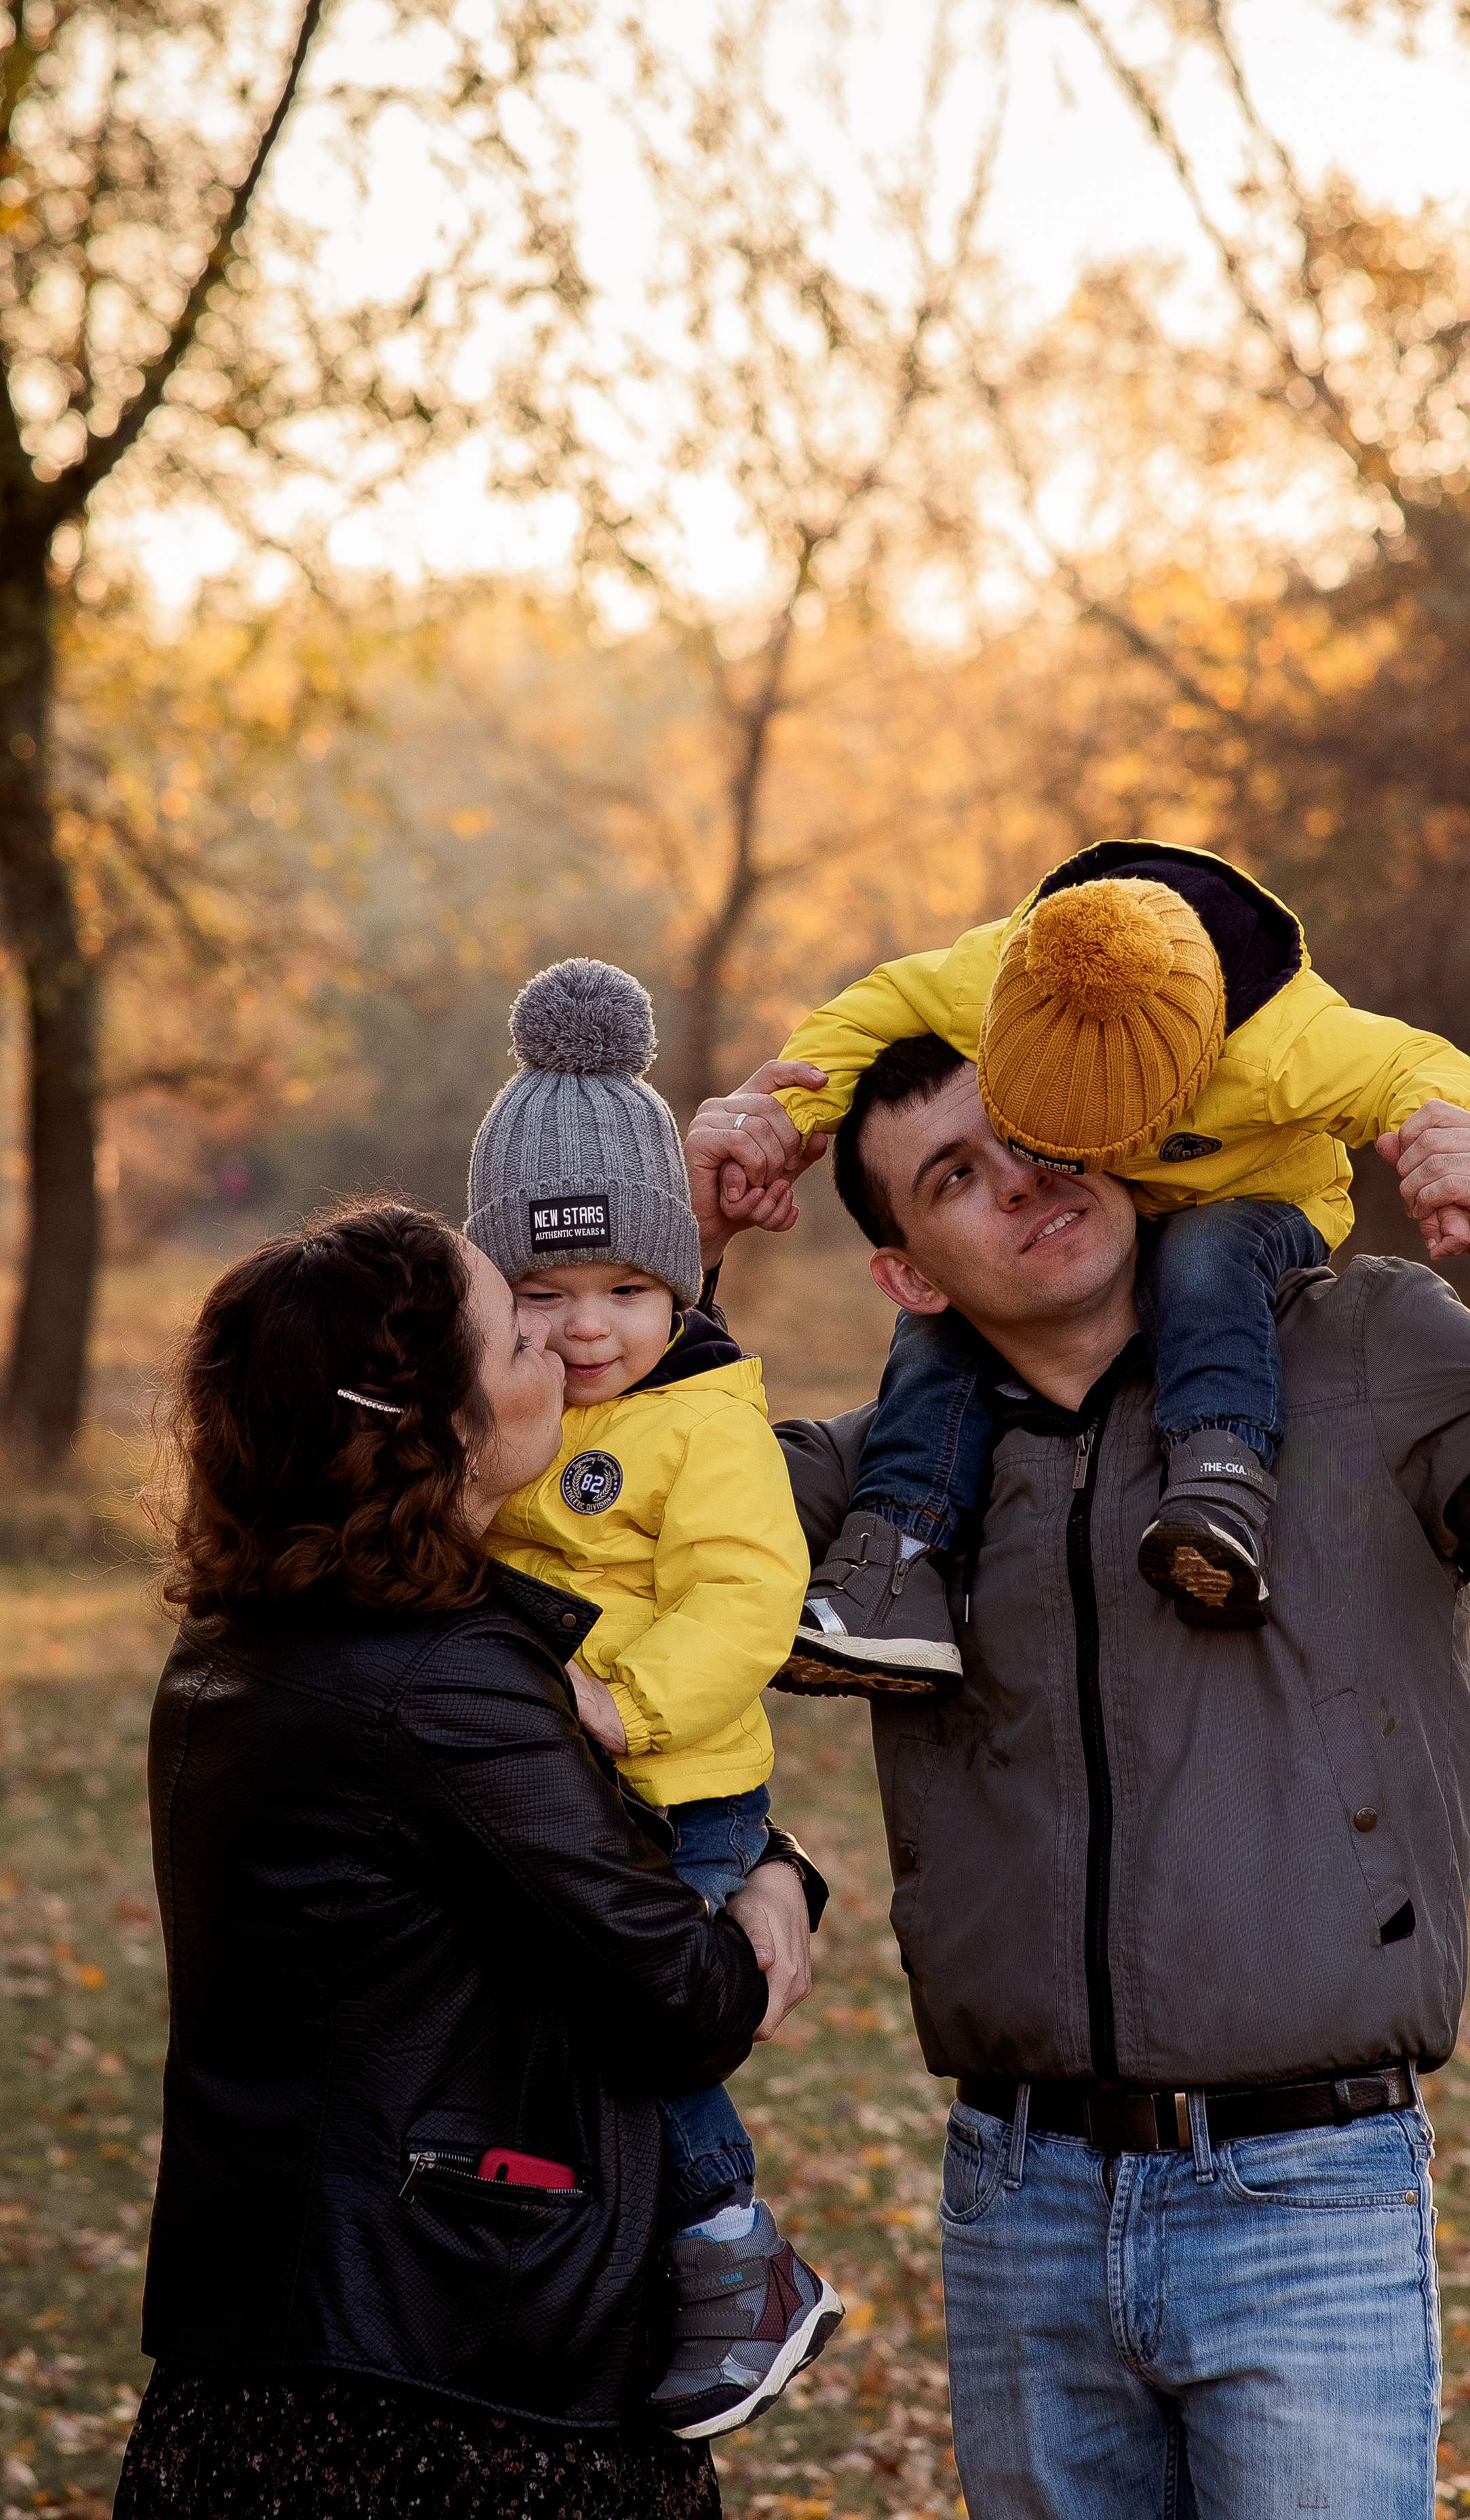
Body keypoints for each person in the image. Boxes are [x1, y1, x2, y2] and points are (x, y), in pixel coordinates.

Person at [686, 1041, 1470, 2520]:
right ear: (911, 1278)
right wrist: (679, 1246)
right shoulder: (885, 1507)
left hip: (1309, 2197)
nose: (1023, 1183)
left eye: (1032, 1134)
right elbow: (601, 1538)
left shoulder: (1360, 1347)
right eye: (953, 1180)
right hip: (1019, 2204)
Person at [117, 1200, 825, 2520]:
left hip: (266, 2339)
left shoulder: (236, 1649)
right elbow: (684, 1998)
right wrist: (776, 1879)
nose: (559, 1354)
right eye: (516, 1332)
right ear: (443, 1426)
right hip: (455, 2386)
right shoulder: (446, 1688)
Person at [735, 840, 1470, 1680]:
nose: (1028, 1171)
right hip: (1130, 1201)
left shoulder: (1284, 1045)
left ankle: (1219, 1480)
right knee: (939, 1332)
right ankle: (894, 1563)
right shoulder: (993, 975)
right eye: (1013, 1131)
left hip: (1260, 1201)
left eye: (1043, 1138)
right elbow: (873, 1007)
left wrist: (1447, 1147)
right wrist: (781, 1116)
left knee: (1203, 1259)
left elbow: (1418, 1066)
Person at [466, 956, 843, 2439]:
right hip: (569, 1790)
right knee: (555, 2027)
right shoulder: (510, 1412)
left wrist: (621, 1706)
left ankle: (734, 2248)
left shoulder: (701, 1425)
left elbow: (745, 1599)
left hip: (675, 1785)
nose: (586, 1329)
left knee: (626, 2022)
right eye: (542, 1294)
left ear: (675, 1284)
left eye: (626, 1289)